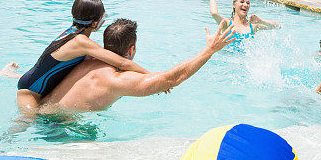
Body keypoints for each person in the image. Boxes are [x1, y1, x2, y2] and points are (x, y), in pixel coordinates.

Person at [36, 19, 234, 113]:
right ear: (131, 50)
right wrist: (209, 50)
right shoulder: (116, 80)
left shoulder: (86, 58)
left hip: (39, 111)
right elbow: (172, 79)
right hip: (58, 128)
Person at [0, 0, 149, 112]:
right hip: (29, 93)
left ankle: (8, 73)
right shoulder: (81, 42)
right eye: (103, 17)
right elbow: (122, 62)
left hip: (32, 84)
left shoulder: (71, 33)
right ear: (95, 23)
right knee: (21, 127)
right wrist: (149, 76)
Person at [207, 0, 280, 43]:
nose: (245, 5)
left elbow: (278, 26)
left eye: (248, 3)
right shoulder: (227, 24)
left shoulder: (253, 26)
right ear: (234, 5)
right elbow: (214, 13)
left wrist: (261, 21)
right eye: (242, 2)